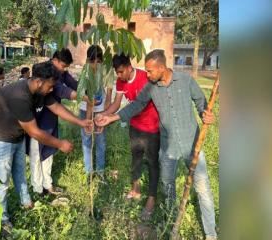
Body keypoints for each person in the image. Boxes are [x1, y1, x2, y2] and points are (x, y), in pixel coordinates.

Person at [95, 49, 217, 239]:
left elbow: (201, 103)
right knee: (168, 186)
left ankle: (211, 234)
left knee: (203, 188)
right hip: (169, 148)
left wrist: (206, 115)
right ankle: (172, 220)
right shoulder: (151, 87)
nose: (147, 74)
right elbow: (136, 105)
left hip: (193, 144)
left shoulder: (186, 81)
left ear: (161, 67)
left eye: (150, 71)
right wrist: (111, 118)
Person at [0, 61, 92, 228]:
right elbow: (34, 132)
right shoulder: (20, 96)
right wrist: (60, 143)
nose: (51, 90)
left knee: (19, 172)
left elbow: (56, 107)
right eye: (50, 86)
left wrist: (81, 122)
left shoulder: (41, 90)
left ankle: (26, 203)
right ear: (39, 81)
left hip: (16, 134)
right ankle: (1, 220)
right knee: (2, 180)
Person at [101, 53, 160, 220]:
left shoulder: (144, 78)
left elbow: (138, 106)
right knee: (136, 159)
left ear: (129, 67)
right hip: (134, 126)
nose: (119, 76)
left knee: (152, 163)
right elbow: (116, 104)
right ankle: (135, 190)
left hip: (152, 128)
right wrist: (103, 115)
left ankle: (151, 200)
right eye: (117, 73)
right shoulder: (121, 81)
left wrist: (112, 118)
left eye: (121, 72)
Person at [28, 48, 81, 196]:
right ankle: (38, 189)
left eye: (66, 67)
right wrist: (80, 97)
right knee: (36, 154)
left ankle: (48, 185)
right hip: (37, 118)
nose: (64, 70)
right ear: (55, 60)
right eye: (63, 66)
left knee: (49, 151)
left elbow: (73, 84)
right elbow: (61, 91)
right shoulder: (44, 71)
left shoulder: (62, 72)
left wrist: (84, 89)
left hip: (52, 117)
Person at [79, 45, 113, 180]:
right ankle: (89, 172)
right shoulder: (85, 71)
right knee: (86, 139)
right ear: (88, 61)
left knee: (101, 141)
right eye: (92, 62)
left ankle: (100, 172)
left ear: (102, 61)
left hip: (101, 111)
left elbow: (109, 97)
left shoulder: (108, 71)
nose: (95, 65)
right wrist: (88, 121)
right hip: (85, 109)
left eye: (98, 62)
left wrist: (104, 117)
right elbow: (88, 100)